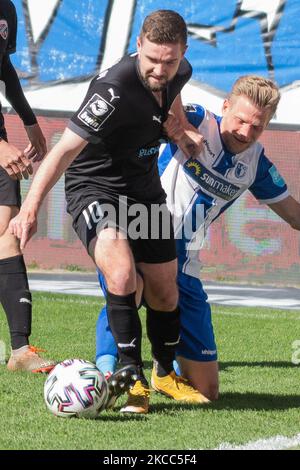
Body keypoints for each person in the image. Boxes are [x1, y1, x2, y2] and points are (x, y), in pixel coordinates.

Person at [9, 10, 207, 413]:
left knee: (166, 289)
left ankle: (164, 373)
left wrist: (181, 128)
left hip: (144, 191)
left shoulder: (179, 70)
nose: (160, 69)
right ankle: (131, 378)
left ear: (183, 53)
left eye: (169, 61)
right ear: (138, 46)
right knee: (120, 273)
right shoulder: (112, 90)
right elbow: (64, 150)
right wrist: (30, 208)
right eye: (152, 60)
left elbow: (174, 99)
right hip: (95, 188)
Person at [95, 75, 300, 401]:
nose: (246, 132)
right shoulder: (196, 119)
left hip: (185, 264)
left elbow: (294, 215)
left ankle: (163, 373)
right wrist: (178, 128)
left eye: (257, 126)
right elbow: (163, 95)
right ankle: (104, 372)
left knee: (208, 391)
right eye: (241, 120)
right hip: (142, 233)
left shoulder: (256, 164)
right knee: (128, 282)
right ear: (225, 106)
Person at [0, 0, 55, 372]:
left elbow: (1, 64)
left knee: (6, 234)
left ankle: (20, 350)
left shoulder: (7, 7)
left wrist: (29, 119)